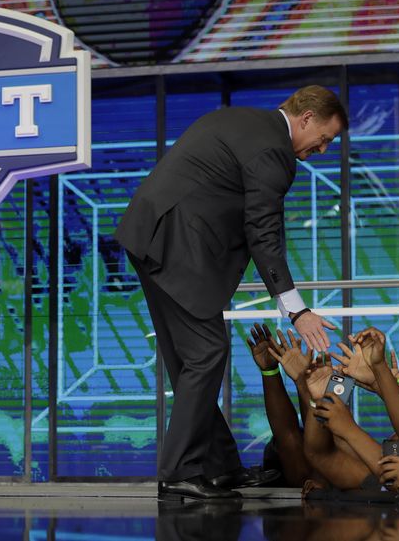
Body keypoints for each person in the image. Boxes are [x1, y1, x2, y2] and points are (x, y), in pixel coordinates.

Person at [115, 85, 348, 501]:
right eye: (324, 138)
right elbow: (263, 232)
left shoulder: (242, 120)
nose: (323, 149)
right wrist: (297, 310)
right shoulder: (274, 152)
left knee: (191, 361)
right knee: (206, 354)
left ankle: (220, 467)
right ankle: (179, 473)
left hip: (152, 236)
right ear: (307, 118)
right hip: (177, 246)